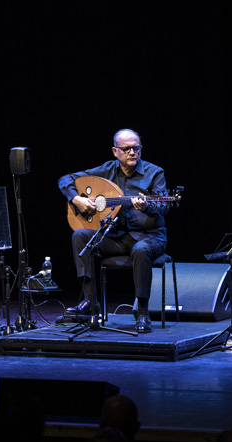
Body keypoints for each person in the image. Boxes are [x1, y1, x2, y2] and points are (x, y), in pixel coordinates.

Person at [57, 129, 170, 333]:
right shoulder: (106, 170)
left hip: (149, 237)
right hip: (115, 238)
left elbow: (164, 206)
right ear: (115, 151)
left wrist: (146, 206)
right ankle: (91, 303)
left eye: (136, 148)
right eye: (126, 149)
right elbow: (65, 179)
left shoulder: (155, 173)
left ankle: (143, 312)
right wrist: (77, 199)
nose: (132, 152)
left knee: (140, 249)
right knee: (80, 236)